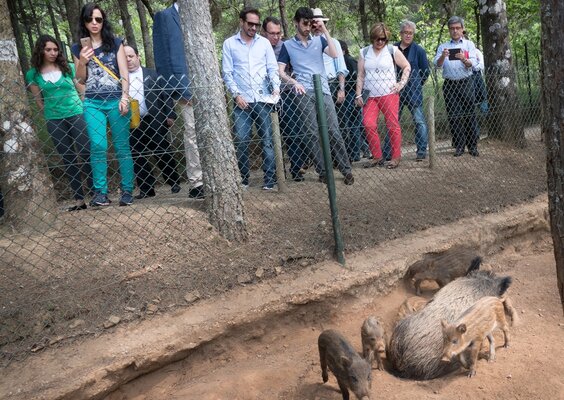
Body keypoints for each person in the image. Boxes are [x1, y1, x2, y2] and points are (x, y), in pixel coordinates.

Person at [278, 7, 354, 185]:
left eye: (310, 23)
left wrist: (324, 29)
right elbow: (280, 71)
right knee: (311, 133)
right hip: (303, 92)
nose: (307, 27)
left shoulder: (319, 40)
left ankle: (346, 170)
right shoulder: (288, 45)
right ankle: (323, 171)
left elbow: (335, 54)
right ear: (296, 22)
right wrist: (294, 82)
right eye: (304, 23)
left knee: (333, 130)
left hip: (324, 90)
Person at [71, 3, 134, 207]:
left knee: (122, 147)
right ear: (84, 22)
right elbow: (80, 79)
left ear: (103, 21)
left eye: (98, 19)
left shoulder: (115, 43)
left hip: (116, 99)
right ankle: (101, 193)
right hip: (92, 102)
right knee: (98, 146)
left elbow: (124, 73)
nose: (94, 23)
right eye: (90, 19)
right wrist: (82, 60)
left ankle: (127, 190)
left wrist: (125, 97)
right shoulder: (77, 48)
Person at [26, 34, 91, 211]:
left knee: (85, 152)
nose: (53, 52)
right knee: (68, 158)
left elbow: (82, 89)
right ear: (40, 50)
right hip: (54, 119)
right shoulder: (33, 73)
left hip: (76, 113)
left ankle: (96, 193)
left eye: (55, 49)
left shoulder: (69, 67)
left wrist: (83, 106)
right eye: (48, 49)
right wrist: (50, 111)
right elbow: (38, 100)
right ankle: (79, 199)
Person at [222, 7, 280, 190]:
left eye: (256, 24)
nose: (253, 27)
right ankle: (243, 179)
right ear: (241, 22)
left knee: (268, 141)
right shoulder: (229, 44)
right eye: (250, 24)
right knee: (241, 139)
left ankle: (269, 180)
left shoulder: (264, 44)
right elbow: (227, 72)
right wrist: (236, 95)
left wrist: (276, 88)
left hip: (263, 99)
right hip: (242, 102)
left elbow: (272, 67)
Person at [153, 0, 204, 199]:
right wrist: (177, 90)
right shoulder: (164, 17)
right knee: (192, 132)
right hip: (184, 86)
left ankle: (214, 176)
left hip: (205, 84)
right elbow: (162, 57)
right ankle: (197, 182)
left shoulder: (200, 13)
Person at [124, 45, 182, 199]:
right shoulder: (121, 78)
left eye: (131, 56)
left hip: (155, 119)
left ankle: (174, 182)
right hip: (132, 122)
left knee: (162, 151)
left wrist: (170, 114)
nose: (128, 60)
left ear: (138, 56)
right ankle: (147, 189)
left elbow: (166, 95)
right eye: (125, 57)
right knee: (137, 156)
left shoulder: (152, 74)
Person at [355, 22, 411, 169]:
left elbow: (406, 66)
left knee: (392, 125)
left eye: (383, 39)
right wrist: (358, 94)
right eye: (378, 39)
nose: (380, 42)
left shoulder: (392, 50)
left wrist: (401, 83)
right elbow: (360, 75)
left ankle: (395, 157)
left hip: (389, 94)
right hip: (370, 95)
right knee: (368, 124)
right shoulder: (364, 52)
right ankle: (377, 156)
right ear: (372, 38)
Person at [262, 16, 306, 182]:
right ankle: (275, 173)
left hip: (287, 95)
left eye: (278, 33)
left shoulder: (286, 46)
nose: (276, 36)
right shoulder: (259, 46)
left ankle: (296, 169)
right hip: (265, 96)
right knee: (269, 136)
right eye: (272, 33)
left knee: (292, 133)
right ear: (264, 32)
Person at [384, 20, 430, 162]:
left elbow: (425, 72)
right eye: (405, 33)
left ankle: (421, 151)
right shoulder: (392, 49)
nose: (408, 36)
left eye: (411, 33)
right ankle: (388, 153)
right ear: (401, 34)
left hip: (413, 91)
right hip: (394, 90)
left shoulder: (419, 50)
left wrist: (416, 84)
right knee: (392, 121)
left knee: (419, 121)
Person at [434, 16, 479, 157]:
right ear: (449, 30)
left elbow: (473, 63)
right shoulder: (443, 47)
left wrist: (464, 59)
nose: (455, 31)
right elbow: (437, 64)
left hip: (466, 82)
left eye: (457, 28)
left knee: (469, 114)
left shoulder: (468, 44)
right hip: (450, 85)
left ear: (462, 29)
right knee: (454, 116)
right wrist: (443, 56)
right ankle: (459, 146)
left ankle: (472, 146)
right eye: (452, 28)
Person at [338, 39, 370, 162]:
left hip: (352, 95)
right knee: (352, 126)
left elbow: (356, 77)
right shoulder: (344, 61)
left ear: (343, 50)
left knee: (354, 126)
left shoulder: (349, 61)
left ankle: (356, 153)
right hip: (349, 95)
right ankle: (357, 152)